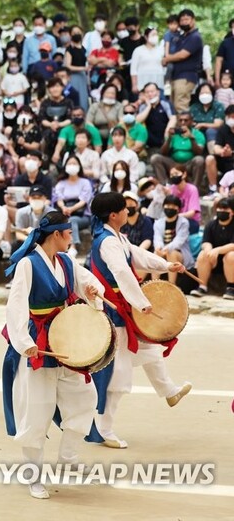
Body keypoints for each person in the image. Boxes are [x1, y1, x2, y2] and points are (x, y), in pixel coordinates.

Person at [3, 210, 103, 499]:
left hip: (64, 338)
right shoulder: (28, 265)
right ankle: (33, 476)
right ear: (57, 234)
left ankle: (68, 458)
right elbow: (16, 305)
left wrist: (92, 291)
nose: (72, 237)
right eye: (69, 232)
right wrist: (23, 342)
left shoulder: (66, 261)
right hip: (38, 343)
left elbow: (84, 282)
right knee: (38, 409)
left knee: (86, 398)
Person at [88, 192, 191, 449]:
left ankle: (169, 392)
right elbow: (121, 272)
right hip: (113, 313)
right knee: (117, 375)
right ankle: (104, 429)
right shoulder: (107, 242)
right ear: (114, 215)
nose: (128, 212)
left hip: (123, 308)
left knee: (150, 349)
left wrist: (167, 266)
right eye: (125, 209)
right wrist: (142, 302)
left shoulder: (117, 238)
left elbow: (137, 256)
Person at [189, 198, 234, 299]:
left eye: (225, 209)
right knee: (203, 254)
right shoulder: (211, 225)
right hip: (214, 259)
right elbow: (206, 242)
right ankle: (202, 286)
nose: (221, 211)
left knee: (231, 255)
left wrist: (218, 250)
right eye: (220, 208)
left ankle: (231, 288)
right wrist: (209, 251)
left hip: (230, 260)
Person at [150, 111, 205, 188]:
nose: (183, 122)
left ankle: (194, 189)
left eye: (186, 120)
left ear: (191, 121)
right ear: (177, 121)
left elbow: (199, 152)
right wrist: (169, 138)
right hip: (174, 163)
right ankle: (165, 186)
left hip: (189, 163)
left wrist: (191, 138)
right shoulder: (174, 134)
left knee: (199, 160)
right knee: (155, 158)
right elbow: (163, 153)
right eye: (180, 120)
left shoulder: (198, 134)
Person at [53, 155, 94, 257]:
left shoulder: (85, 182)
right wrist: (63, 208)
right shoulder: (61, 183)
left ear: (79, 166)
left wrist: (71, 209)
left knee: (72, 221)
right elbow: (59, 198)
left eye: (74, 164)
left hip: (82, 215)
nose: (72, 166)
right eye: (69, 163)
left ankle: (73, 246)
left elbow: (84, 201)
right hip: (64, 212)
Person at [163, 9, 203, 112]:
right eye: (182, 20)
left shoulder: (195, 37)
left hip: (186, 76)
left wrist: (167, 58)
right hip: (174, 76)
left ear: (193, 20)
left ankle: (185, 128)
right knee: (172, 107)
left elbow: (182, 55)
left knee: (180, 105)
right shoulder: (180, 37)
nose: (184, 22)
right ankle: (177, 128)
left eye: (187, 19)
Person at [153, 195, 193, 284]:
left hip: (179, 253)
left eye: (173, 206)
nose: (170, 208)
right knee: (155, 254)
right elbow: (157, 238)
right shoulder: (158, 223)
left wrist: (166, 249)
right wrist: (159, 248)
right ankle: (154, 283)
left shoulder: (184, 222)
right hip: (163, 251)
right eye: (167, 205)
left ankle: (172, 285)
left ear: (178, 208)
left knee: (171, 253)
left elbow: (179, 241)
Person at [12, 185, 54, 252]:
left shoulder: (52, 213)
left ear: (45, 198)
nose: (36, 200)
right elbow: (19, 235)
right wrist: (32, 241)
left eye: (39, 197)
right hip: (27, 241)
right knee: (16, 245)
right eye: (34, 197)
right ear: (29, 198)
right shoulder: (21, 212)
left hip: (46, 243)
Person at [206, 104, 234, 196]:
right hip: (225, 161)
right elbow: (216, 147)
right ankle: (213, 189)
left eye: (233, 117)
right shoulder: (223, 129)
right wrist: (222, 151)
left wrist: (232, 153)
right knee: (210, 158)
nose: (230, 119)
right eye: (228, 117)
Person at [167, 164, 201, 234]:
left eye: (176, 173)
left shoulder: (192, 189)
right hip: (174, 220)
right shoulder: (171, 189)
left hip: (190, 221)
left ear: (184, 174)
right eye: (171, 175)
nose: (174, 176)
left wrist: (176, 216)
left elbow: (191, 213)